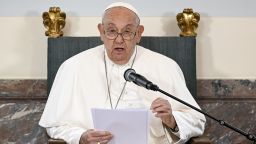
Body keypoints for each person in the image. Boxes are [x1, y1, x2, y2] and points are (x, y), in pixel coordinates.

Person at [39, 2, 206, 144]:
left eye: (127, 31)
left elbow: (197, 121)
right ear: (101, 31)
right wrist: (80, 137)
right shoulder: (72, 67)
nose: (119, 40)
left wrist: (171, 120)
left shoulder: (166, 67)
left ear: (139, 33)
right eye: (111, 31)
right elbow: (54, 124)